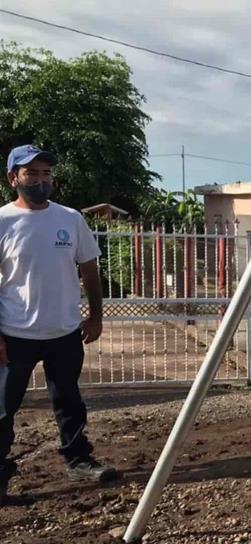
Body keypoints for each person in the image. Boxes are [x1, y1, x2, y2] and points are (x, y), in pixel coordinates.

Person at [0, 144, 118, 506]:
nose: (40, 180)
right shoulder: (3, 221)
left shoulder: (70, 219)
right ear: (13, 178)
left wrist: (95, 315)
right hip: (14, 335)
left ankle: (79, 461)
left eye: (46, 174)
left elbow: (89, 269)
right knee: (3, 408)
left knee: (69, 400)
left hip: (64, 332)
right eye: (31, 174)